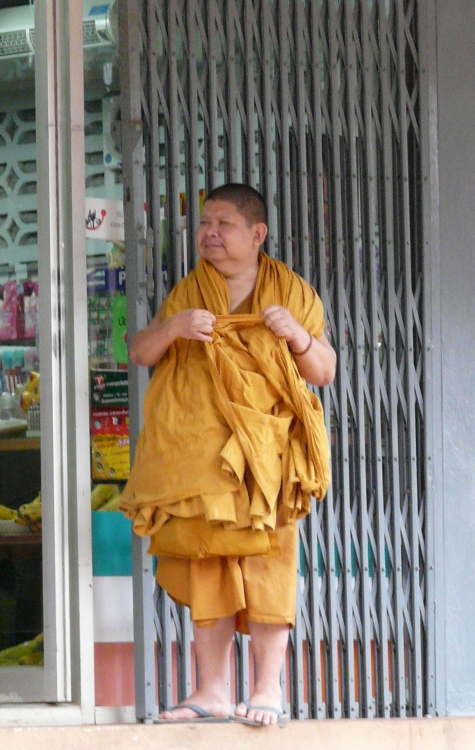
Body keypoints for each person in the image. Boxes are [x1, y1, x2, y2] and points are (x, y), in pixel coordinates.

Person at [119, 183, 335, 726]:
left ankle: (266, 689)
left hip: (267, 459)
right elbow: (141, 352)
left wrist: (299, 339)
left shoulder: (291, 291)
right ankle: (212, 690)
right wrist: (175, 327)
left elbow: (325, 372)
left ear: (257, 234)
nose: (209, 234)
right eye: (204, 225)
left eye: (223, 225)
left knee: (268, 564)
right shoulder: (190, 292)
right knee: (206, 564)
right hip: (203, 460)